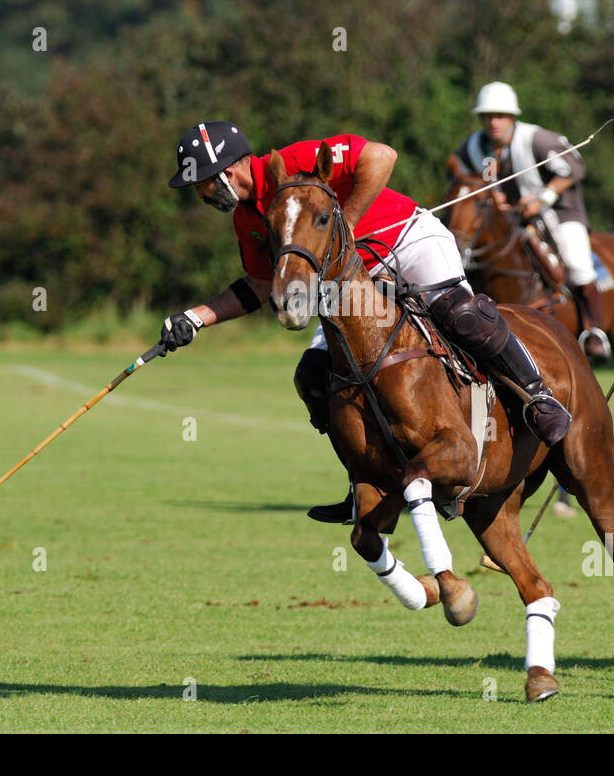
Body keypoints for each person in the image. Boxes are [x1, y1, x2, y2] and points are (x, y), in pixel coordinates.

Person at [161, 121, 574, 527]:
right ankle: (366, 479)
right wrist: (196, 317)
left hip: (406, 240)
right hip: (355, 282)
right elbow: (257, 283)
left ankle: (539, 400)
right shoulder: (247, 219)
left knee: (462, 317)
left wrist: (347, 226)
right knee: (313, 376)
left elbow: (381, 156)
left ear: (227, 171)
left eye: (201, 184)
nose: (200, 194)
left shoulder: (297, 160)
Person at [451, 81, 612, 361]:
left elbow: (575, 167)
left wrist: (543, 196)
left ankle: (593, 330)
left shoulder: (538, 139)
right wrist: (492, 195)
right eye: (487, 116)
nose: (494, 122)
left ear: (513, 117)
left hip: (557, 212)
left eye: (500, 115)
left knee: (577, 263)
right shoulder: (473, 147)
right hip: (510, 220)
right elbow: (460, 173)